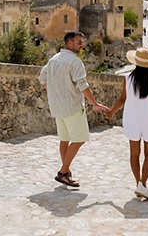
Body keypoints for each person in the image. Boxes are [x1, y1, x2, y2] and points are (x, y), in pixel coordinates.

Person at [39, 31, 109, 188]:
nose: (82, 45)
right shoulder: (75, 62)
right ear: (69, 43)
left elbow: (42, 78)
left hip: (57, 106)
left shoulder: (53, 59)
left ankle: (67, 173)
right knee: (79, 139)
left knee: (64, 139)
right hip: (72, 107)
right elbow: (82, 85)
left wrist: (55, 92)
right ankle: (63, 172)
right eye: (79, 42)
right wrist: (95, 103)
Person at [107, 47, 148, 200]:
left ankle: (138, 183)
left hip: (131, 119)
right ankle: (143, 184)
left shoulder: (127, 78)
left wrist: (112, 111)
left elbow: (122, 99)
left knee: (134, 154)